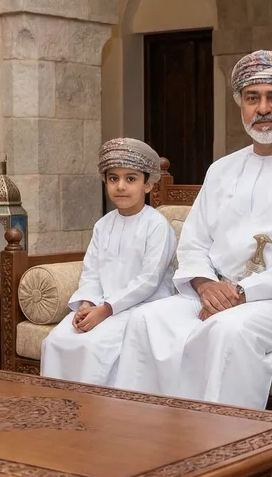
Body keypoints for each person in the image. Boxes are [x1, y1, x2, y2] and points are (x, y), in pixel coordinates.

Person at [114, 50, 272, 409]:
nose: (263, 108)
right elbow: (193, 241)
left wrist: (240, 293)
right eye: (253, 98)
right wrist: (206, 285)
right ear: (241, 105)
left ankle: (224, 449)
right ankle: (148, 439)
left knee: (228, 330)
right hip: (215, 293)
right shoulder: (221, 169)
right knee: (146, 320)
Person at [41, 138, 176, 386]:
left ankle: (94, 416)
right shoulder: (103, 225)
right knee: (56, 341)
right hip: (101, 305)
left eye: (131, 179)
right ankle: (57, 410)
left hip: (140, 308)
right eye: (113, 179)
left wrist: (105, 310)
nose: (121, 186)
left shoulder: (157, 225)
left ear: (148, 185)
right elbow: (91, 272)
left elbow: (148, 280)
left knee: (94, 346)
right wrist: (87, 303)